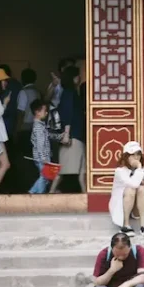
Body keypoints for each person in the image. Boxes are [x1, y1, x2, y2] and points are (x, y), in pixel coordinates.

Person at [55, 65, 86, 193]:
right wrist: (67, 134)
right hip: (73, 135)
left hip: (77, 134)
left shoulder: (70, 92)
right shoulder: (69, 93)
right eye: (78, 75)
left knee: (81, 170)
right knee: (64, 170)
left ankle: (85, 194)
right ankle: (51, 191)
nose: (80, 77)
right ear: (74, 78)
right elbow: (67, 114)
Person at [109, 141, 144, 237]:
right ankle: (126, 224)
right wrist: (139, 167)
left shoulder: (143, 170)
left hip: (136, 206)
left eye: (138, 154)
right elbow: (133, 184)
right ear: (126, 156)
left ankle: (143, 225)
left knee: (142, 189)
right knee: (130, 189)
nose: (136, 158)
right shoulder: (119, 171)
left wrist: (140, 169)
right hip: (122, 204)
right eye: (132, 155)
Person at [28, 99, 64, 194]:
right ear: (37, 112)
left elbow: (48, 135)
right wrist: (43, 158)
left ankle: (33, 193)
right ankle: (35, 194)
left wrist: (59, 136)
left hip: (42, 157)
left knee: (45, 177)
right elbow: (40, 144)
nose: (47, 112)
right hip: (42, 158)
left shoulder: (40, 125)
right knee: (44, 177)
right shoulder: (38, 127)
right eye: (45, 110)